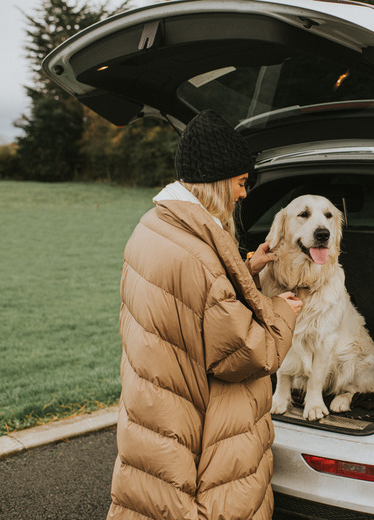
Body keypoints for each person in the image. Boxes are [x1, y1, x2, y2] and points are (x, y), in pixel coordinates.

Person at [107, 109, 302, 520]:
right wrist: (283, 309)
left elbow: (188, 300)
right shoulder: (201, 256)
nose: (244, 193)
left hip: (154, 404)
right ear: (216, 182)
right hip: (195, 420)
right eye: (240, 183)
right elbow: (245, 354)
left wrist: (245, 269)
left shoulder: (152, 226)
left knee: (153, 498)